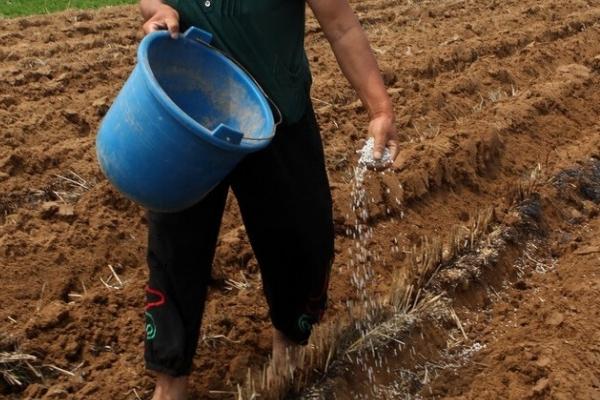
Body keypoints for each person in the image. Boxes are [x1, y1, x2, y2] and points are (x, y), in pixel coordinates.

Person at [138, 0, 399, 398]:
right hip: (188, 112)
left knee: (300, 238)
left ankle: (289, 343)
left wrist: (379, 109)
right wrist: (158, 9)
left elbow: (341, 25)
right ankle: (170, 381)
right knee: (176, 248)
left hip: (278, 113)